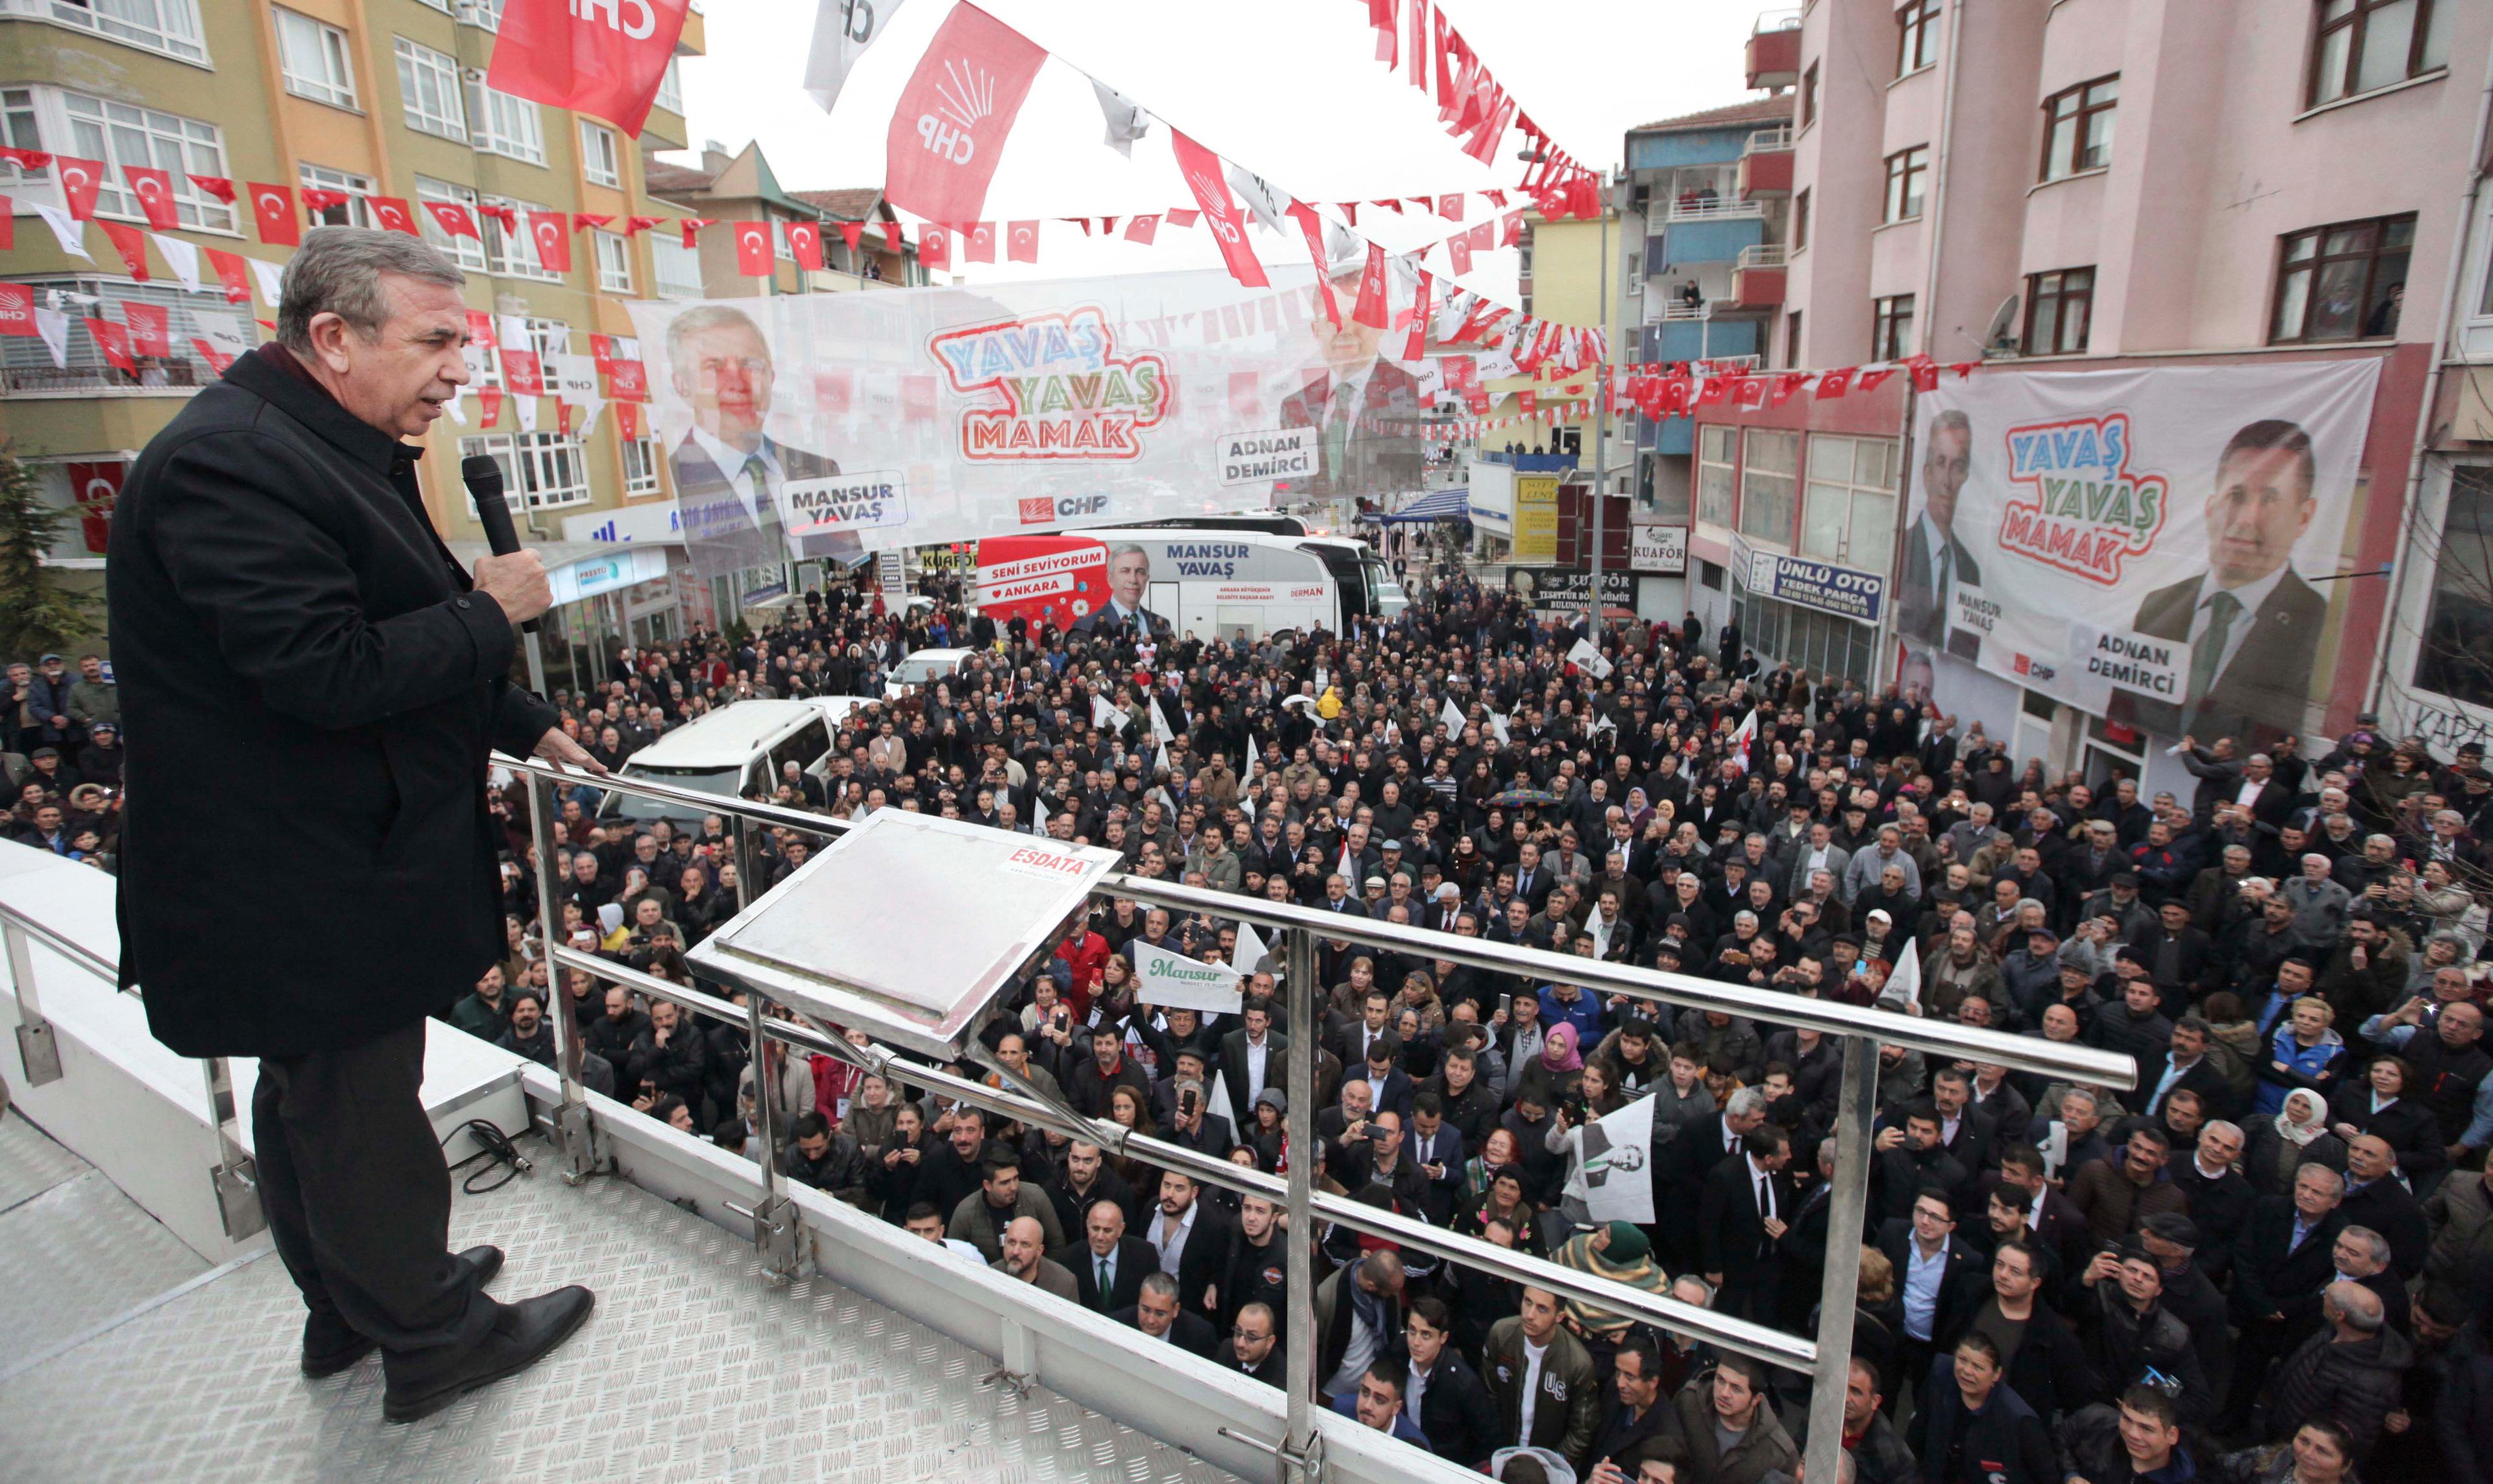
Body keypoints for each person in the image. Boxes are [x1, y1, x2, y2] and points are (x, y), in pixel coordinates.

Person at [107, 228, 597, 1424]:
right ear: (333, 338)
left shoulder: (337, 446)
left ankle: (356, 1301)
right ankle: (430, 1337)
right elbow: (324, 669)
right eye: (434, 341)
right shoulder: (234, 466)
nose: (457, 369)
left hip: (329, 865)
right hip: (298, 880)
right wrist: (494, 618)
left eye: (463, 342)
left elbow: (402, 616)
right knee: (358, 1109)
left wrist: (520, 717)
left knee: (313, 1096)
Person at [2129, 421, 2328, 741]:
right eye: (2236, 495)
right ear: (2210, 508)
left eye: (2270, 499)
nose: (2246, 518)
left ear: (2304, 517)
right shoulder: (2157, 605)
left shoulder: (2316, 619)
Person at [663, 301, 856, 575]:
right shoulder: (674, 483)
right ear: (682, 384)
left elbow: (848, 558)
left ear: (771, 378)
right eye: (714, 367)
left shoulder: (820, 470)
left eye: (750, 365)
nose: (738, 383)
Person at [1905, 1331, 2054, 1484]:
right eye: (1962, 1359)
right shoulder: (1940, 1377)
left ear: (1996, 1374)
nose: (1967, 1371)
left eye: (1978, 1367)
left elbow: (2046, 1474)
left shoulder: (2019, 1419)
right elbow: (1916, 1435)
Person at [1485, 1285, 1602, 1470]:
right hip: (1501, 1454)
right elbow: (1488, 1396)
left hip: (1549, 1468)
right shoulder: (1502, 1334)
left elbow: (1582, 1430)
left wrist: (1549, 1464)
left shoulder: (1578, 1363)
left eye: (1542, 1309)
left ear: (1559, 1316)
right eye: (1527, 1302)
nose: (1530, 1315)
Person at [1900, 410, 1980, 657]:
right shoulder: (1904, 547)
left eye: (1957, 466)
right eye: (1940, 463)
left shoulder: (1970, 570)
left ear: (1966, 475)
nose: (1947, 481)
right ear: (1926, 474)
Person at [1067, 545, 1171, 640]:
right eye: (1125, 571)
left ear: (1147, 578)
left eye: (1140, 572)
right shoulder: (1086, 626)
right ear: (1110, 579)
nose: (1133, 580)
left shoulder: (1162, 623)